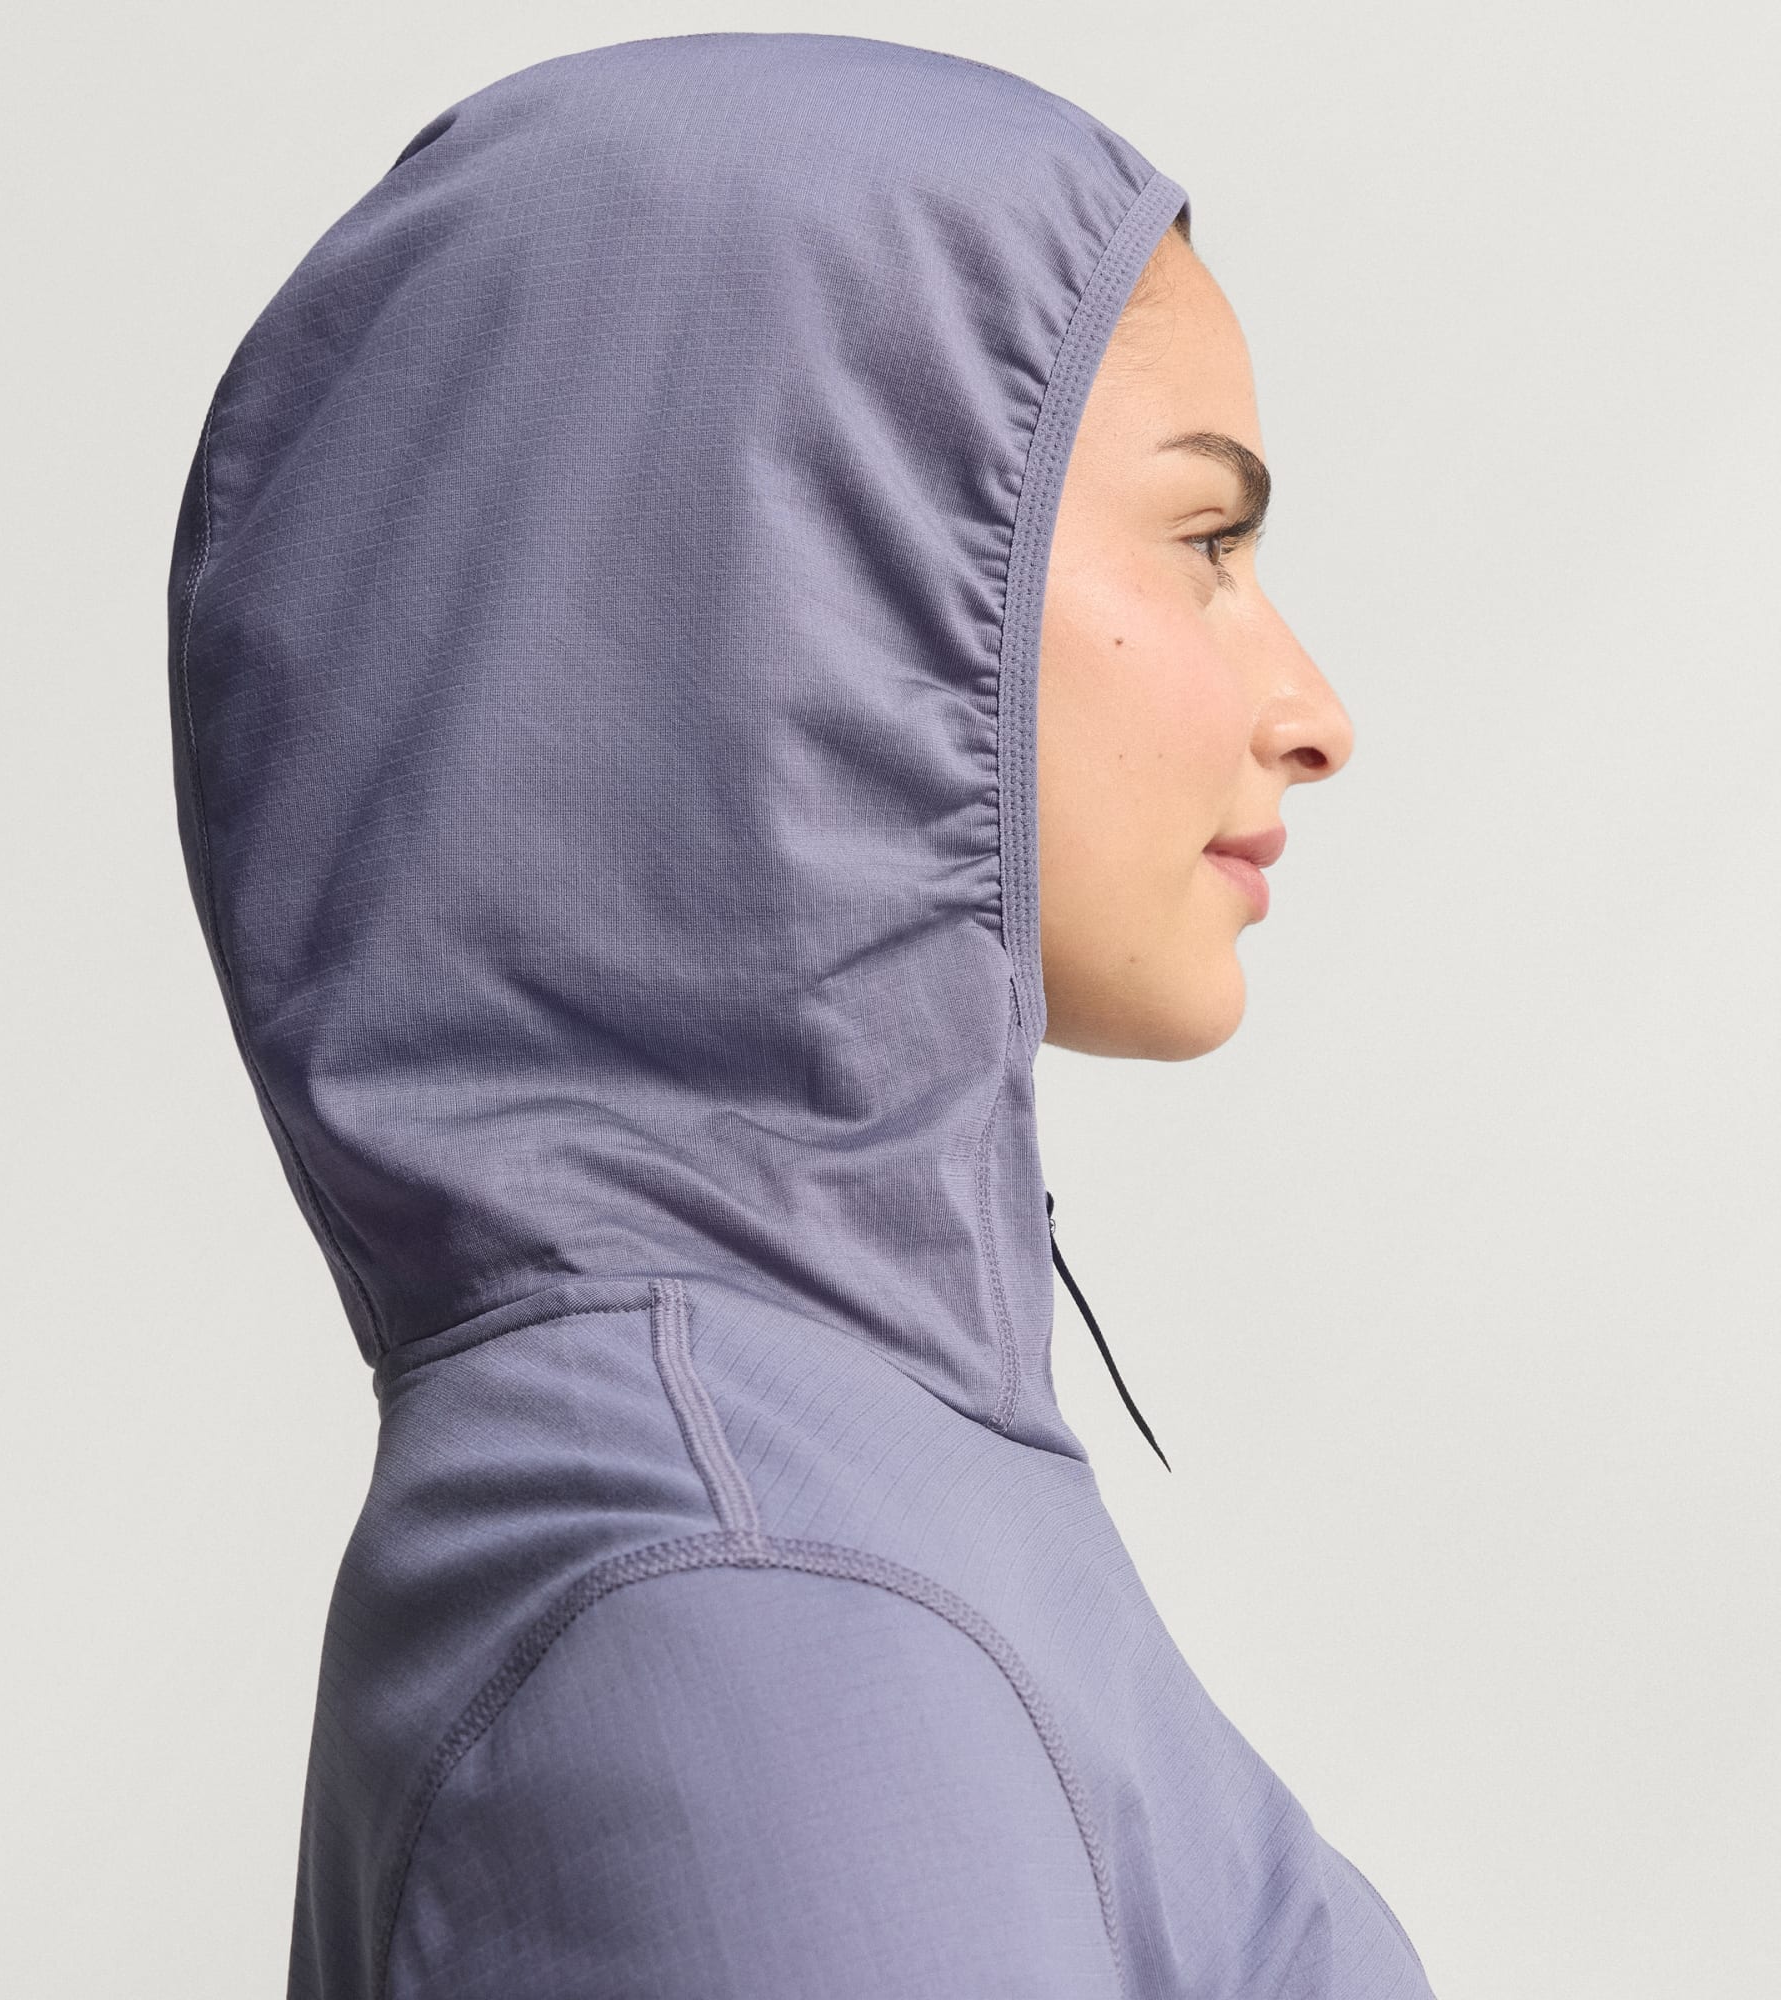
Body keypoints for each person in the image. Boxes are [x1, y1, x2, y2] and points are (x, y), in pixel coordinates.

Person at [167, 31, 1432, 1999]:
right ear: (803, 588)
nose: (1316, 714)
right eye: (1205, 544)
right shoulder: (750, 1601)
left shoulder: (810, 1475)